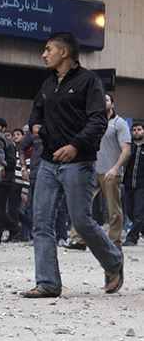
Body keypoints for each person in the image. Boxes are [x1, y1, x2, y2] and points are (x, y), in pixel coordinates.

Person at [21, 32, 123, 298]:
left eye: (48, 49)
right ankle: (48, 283)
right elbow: (36, 112)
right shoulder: (47, 84)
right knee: (41, 222)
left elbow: (98, 121)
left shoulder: (89, 82)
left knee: (81, 220)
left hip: (79, 163)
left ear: (64, 52)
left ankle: (113, 262)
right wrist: (36, 127)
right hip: (48, 162)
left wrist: (75, 145)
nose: (44, 55)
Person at [65, 93, 130, 251]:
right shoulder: (91, 122)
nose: (104, 102)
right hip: (90, 171)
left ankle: (114, 242)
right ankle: (78, 240)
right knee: (80, 206)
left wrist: (115, 169)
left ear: (112, 104)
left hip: (110, 173)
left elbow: (126, 150)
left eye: (107, 100)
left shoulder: (119, 123)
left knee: (114, 210)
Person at [0, 118, 21, 244]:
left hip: (5, 179)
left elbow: (11, 162)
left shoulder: (8, 144)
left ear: (4, 128)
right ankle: (14, 227)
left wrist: (0, 163)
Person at [123, 123, 144, 246]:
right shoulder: (129, 147)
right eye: (134, 130)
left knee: (138, 213)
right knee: (129, 212)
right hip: (128, 184)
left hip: (141, 186)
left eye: (139, 130)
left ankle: (132, 238)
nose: (136, 132)